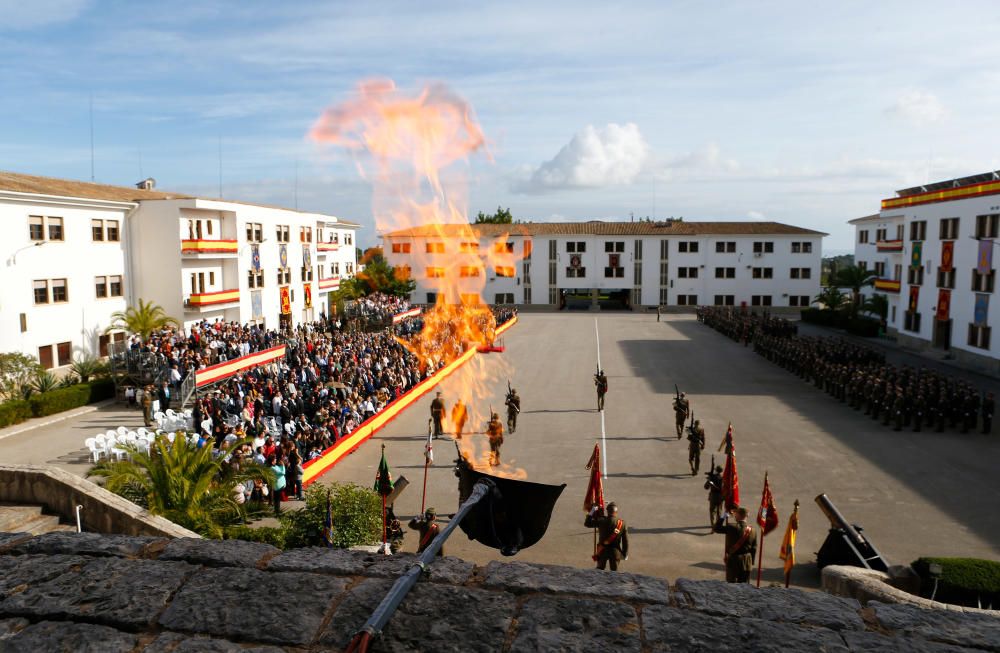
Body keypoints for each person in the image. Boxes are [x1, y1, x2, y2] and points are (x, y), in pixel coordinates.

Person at [713, 506, 757, 583]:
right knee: (745, 585)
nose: (734, 516)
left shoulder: (731, 527)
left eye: (736, 514)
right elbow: (754, 548)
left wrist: (723, 516)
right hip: (747, 561)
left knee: (731, 585)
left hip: (733, 560)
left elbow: (716, 528)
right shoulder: (753, 530)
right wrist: (751, 562)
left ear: (739, 515)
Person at [584, 502, 628, 571]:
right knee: (614, 573)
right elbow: (625, 541)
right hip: (615, 551)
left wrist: (592, 510)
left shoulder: (601, 520)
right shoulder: (622, 523)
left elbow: (587, 523)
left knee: (599, 571)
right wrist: (625, 554)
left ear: (607, 511)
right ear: (616, 512)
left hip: (602, 550)